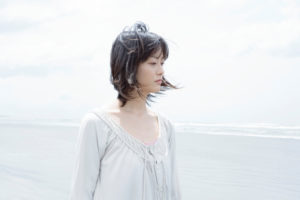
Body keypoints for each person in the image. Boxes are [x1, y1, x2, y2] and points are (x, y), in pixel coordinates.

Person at [69, 21, 182, 200]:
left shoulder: (165, 126)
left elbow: (174, 193)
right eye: (153, 63)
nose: (161, 71)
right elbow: (81, 193)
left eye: (162, 63)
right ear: (129, 66)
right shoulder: (97, 124)